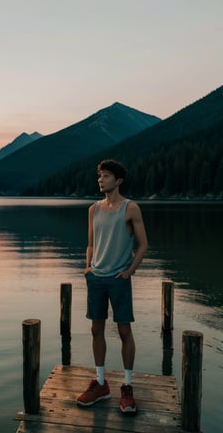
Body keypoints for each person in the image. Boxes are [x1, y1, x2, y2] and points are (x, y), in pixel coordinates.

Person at [77, 159, 148, 414]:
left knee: (124, 331)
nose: (100, 180)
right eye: (100, 176)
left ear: (118, 181)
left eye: (106, 176)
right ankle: (100, 383)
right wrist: (88, 267)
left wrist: (129, 271)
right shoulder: (93, 209)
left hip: (119, 279)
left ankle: (127, 388)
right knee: (97, 329)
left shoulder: (131, 208)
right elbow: (91, 243)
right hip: (96, 278)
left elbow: (143, 245)